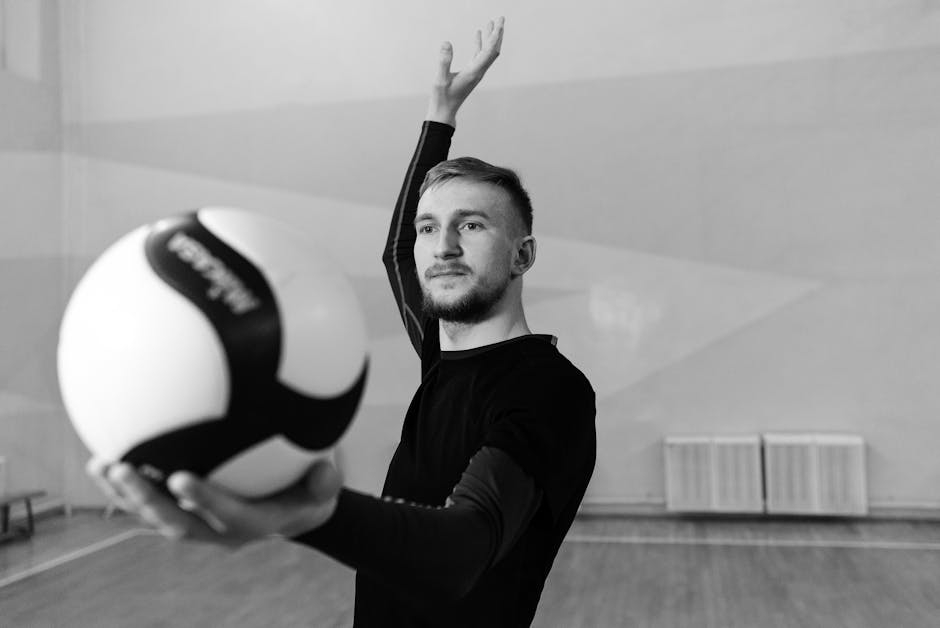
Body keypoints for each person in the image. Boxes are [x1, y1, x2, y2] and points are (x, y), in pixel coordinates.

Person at [88, 17, 596, 627]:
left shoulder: (549, 389)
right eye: (430, 228)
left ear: (523, 256)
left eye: (473, 224)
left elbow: (459, 553)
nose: (444, 246)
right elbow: (394, 250)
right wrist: (440, 116)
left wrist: (308, 513)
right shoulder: (442, 356)